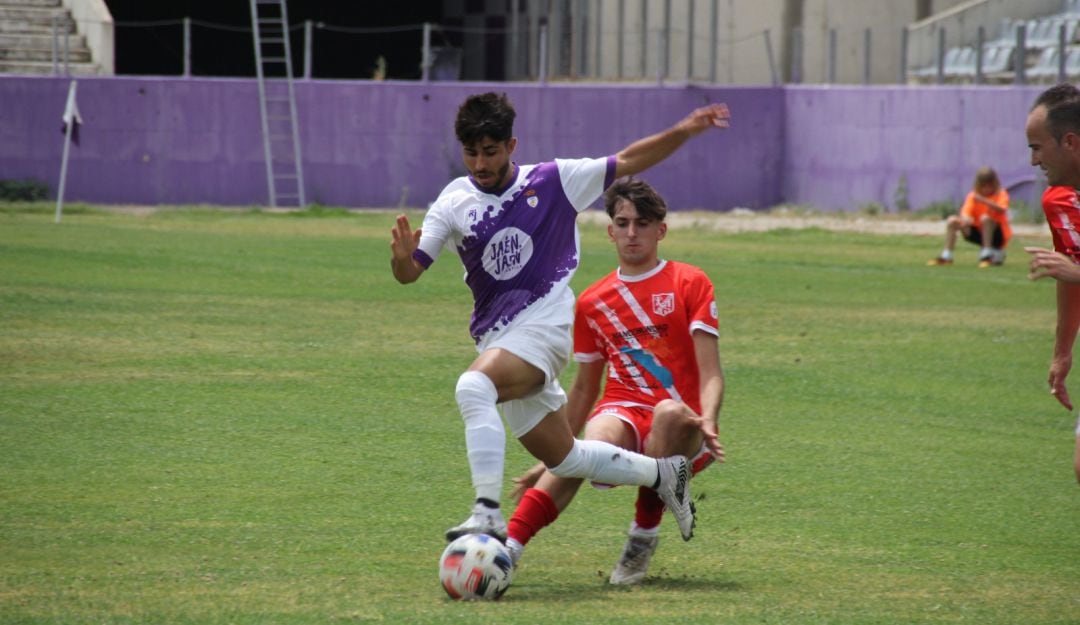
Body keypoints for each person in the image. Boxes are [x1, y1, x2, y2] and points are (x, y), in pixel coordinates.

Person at [390, 92, 730, 542]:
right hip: (498, 340)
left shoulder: (554, 181)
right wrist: (399, 260)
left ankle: (487, 515)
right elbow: (411, 272)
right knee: (567, 459)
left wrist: (685, 130)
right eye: (471, 152)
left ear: (512, 146)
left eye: (490, 151)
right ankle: (663, 474)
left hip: (543, 331)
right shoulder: (453, 201)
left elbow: (628, 159)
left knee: (473, 386)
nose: (480, 163)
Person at [502, 177, 725, 585]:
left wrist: (708, 418)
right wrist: (552, 454)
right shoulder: (592, 302)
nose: (632, 232)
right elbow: (586, 388)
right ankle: (508, 548)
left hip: (683, 425)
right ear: (610, 231)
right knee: (588, 445)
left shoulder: (690, 282)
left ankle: (641, 540)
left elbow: (710, 371)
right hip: (622, 409)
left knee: (668, 415)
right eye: (622, 223)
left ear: (662, 229)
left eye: (642, 223)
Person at [1024, 82, 1080, 485]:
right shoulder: (1061, 200)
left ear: (1070, 143)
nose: (1033, 161)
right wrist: (1062, 352)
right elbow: (1069, 272)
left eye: (1038, 147)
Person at [927, 166, 1011, 268]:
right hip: (978, 233)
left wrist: (984, 200)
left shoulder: (1001, 194)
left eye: (990, 185)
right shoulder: (973, 196)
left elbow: (1002, 208)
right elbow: (965, 212)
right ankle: (947, 256)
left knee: (986, 219)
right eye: (983, 186)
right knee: (952, 221)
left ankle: (987, 256)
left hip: (997, 235)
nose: (986, 189)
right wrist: (966, 219)